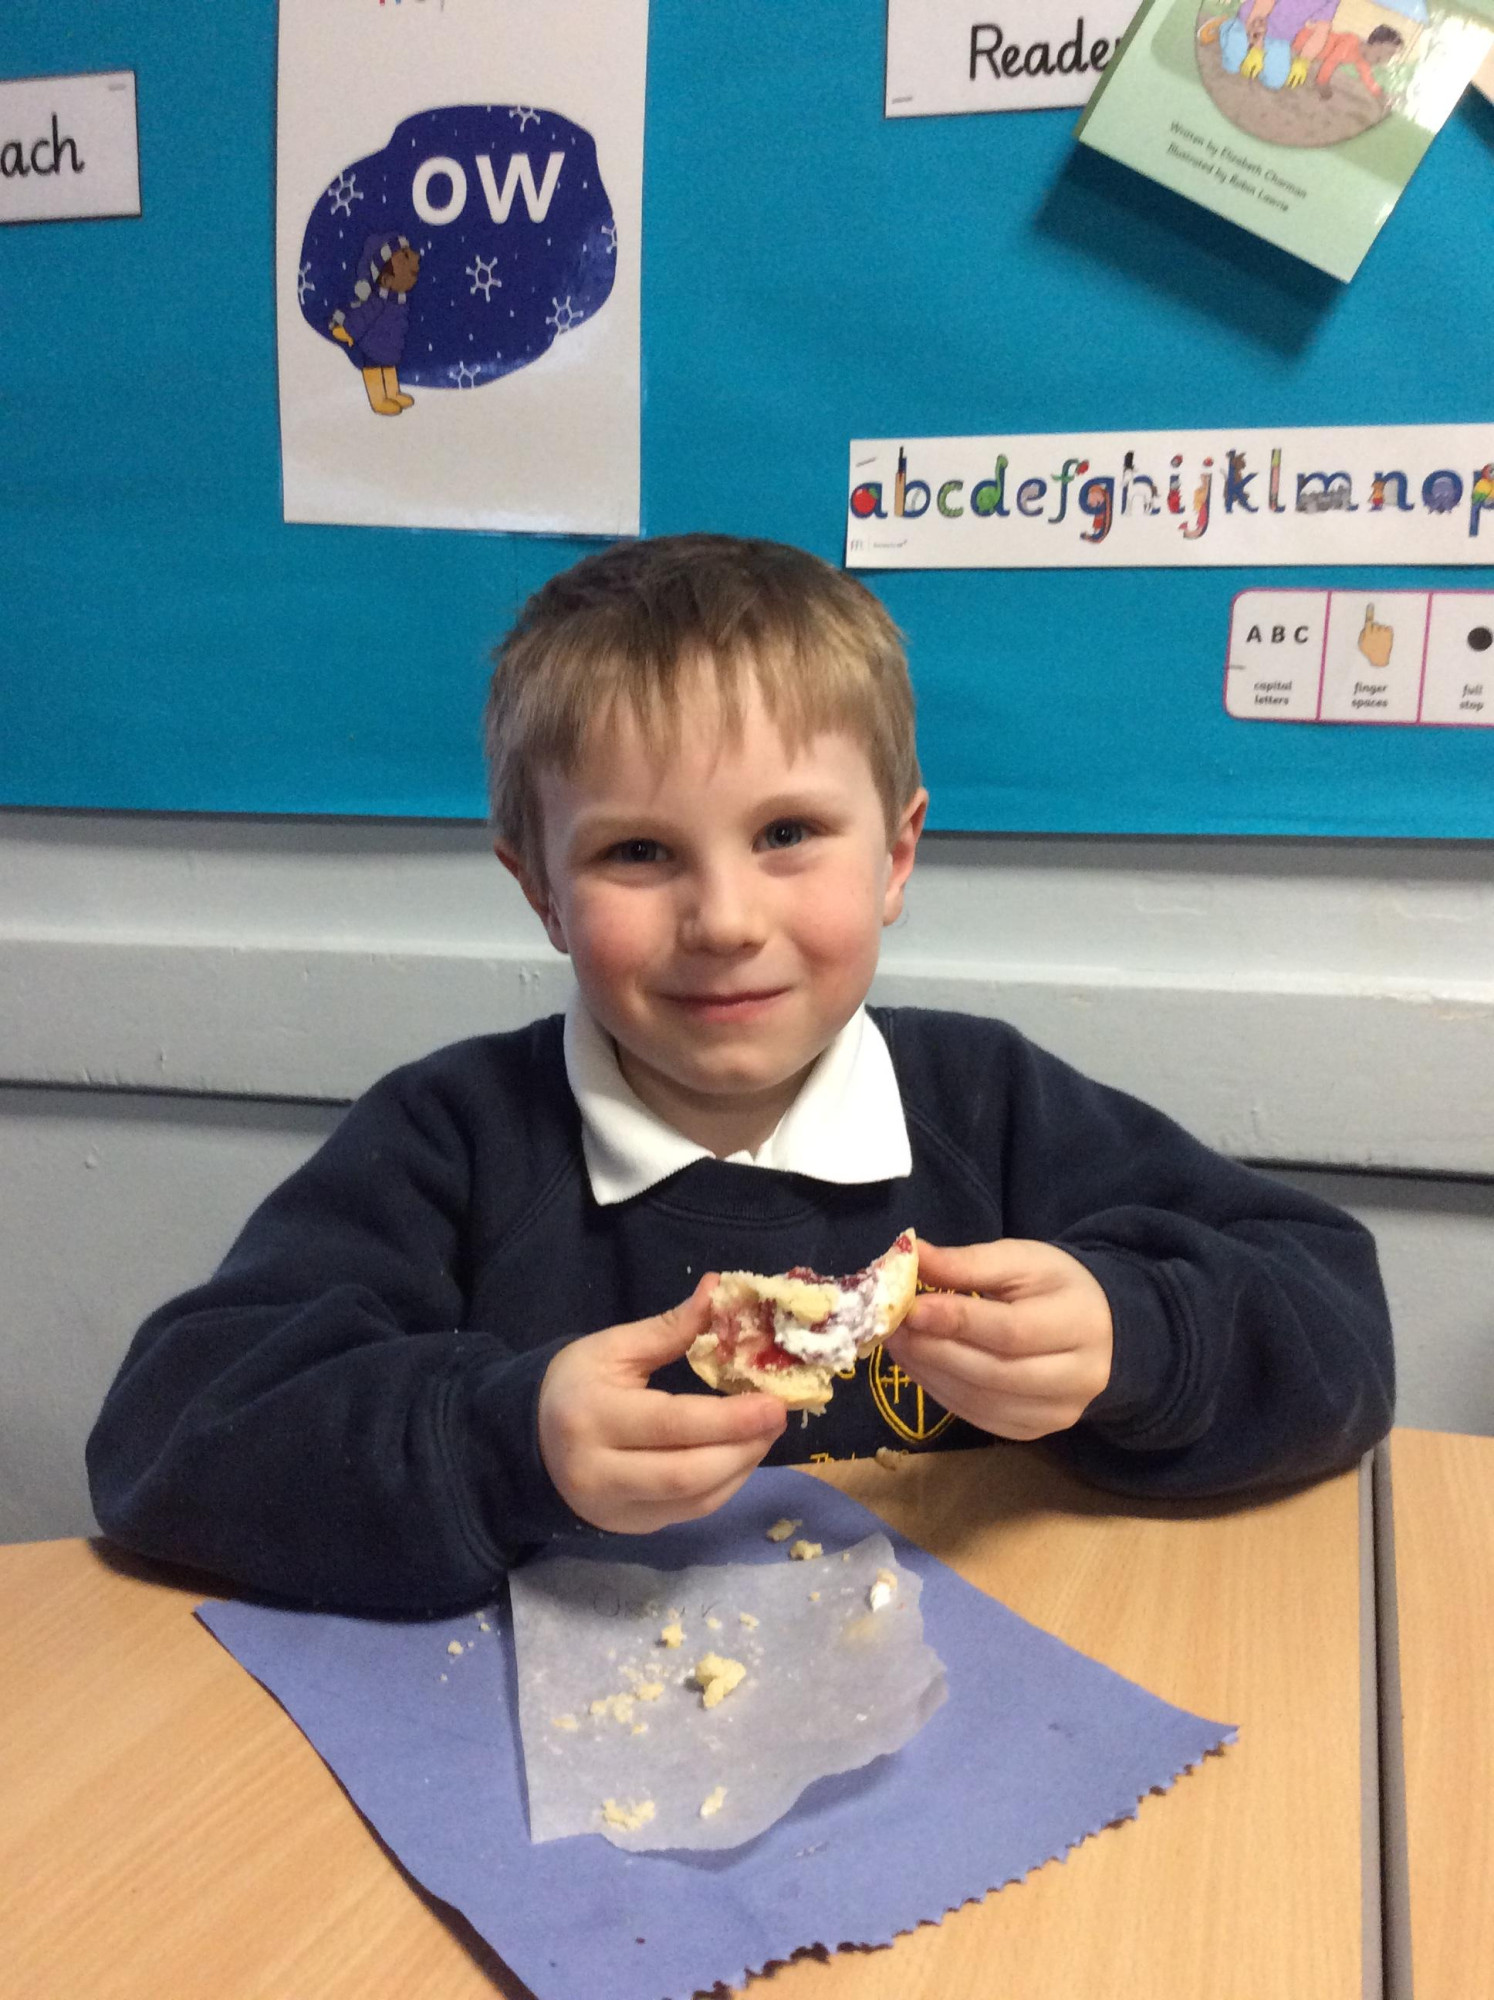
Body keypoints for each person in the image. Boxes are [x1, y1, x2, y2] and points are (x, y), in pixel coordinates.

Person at [87, 535, 1394, 1614]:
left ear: (895, 856)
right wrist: (507, 1440)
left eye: (786, 833)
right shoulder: (453, 1140)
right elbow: (164, 1440)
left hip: (969, 1716)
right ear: (539, 890)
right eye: (638, 853)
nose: (722, 920)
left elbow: (1333, 1313)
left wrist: (1135, 1339)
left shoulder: (988, 1108)